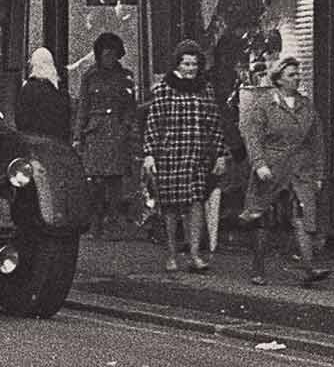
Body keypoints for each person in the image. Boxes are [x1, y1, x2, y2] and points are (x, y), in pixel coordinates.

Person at [240, 57, 331, 286]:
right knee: (263, 218)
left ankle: (309, 267)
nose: (297, 77)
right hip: (272, 168)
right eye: (292, 74)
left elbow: (317, 143)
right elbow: (253, 137)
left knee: (302, 215)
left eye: (298, 73)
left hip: (300, 169)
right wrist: (259, 163)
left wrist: (319, 174)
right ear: (279, 79)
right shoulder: (264, 104)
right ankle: (258, 269)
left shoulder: (306, 106)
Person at [143, 39, 228, 272]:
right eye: (186, 64)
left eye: (194, 64)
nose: (191, 69)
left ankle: (194, 254)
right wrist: (149, 154)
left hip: (196, 155)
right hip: (170, 155)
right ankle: (171, 255)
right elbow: (154, 123)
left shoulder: (205, 89)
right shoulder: (164, 89)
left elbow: (214, 123)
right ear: (177, 65)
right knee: (170, 207)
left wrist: (221, 154)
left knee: (195, 203)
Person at [75, 32, 136, 236]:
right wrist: (78, 136)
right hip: (95, 131)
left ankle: (114, 222)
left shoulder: (125, 77)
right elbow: (83, 106)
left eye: (113, 54)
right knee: (94, 182)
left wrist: (125, 126)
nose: (109, 57)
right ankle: (95, 221)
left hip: (116, 131)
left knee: (115, 182)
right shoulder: (90, 76)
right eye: (105, 53)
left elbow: (130, 106)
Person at [16, 47, 71, 140]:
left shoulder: (28, 89)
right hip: (55, 143)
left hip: (32, 141)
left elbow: (20, 120)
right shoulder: (59, 92)